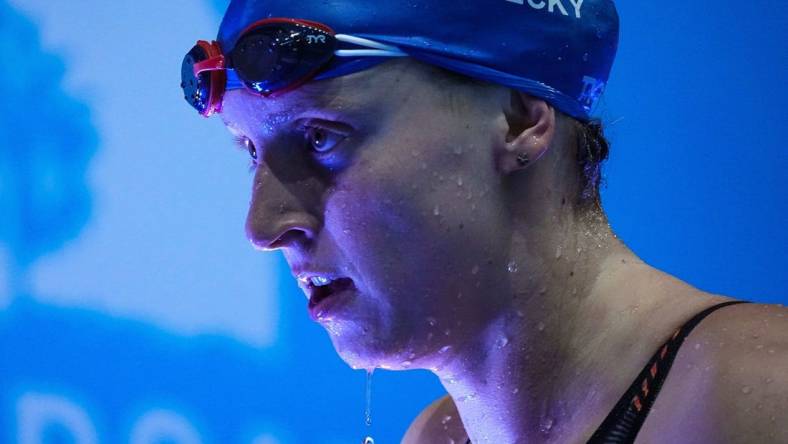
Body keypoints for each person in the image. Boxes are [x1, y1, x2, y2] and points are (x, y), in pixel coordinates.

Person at [180, 1, 787, 442]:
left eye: (320, 137)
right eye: (251, 151)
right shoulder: (435, 438)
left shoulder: (756, 394)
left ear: (521, 120)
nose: (262, 226)